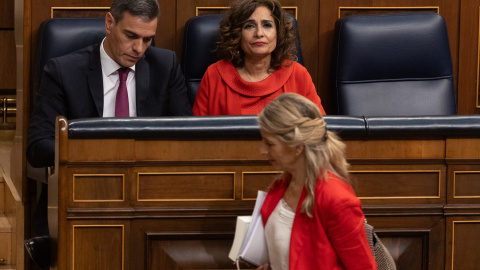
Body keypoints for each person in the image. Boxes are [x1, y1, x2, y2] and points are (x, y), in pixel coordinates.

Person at [25, 0, 192, 268]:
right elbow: (37, 146)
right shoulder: (64, 71)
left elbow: (185, 136)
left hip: (149, 192)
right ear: (109, 23)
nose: (139, 49)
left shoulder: (165, 65)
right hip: (84, 191)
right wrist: (99, 156)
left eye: (148, 39)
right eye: (131, 36)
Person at [256, 93, 376, 270]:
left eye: (270, 144)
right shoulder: (281, 186)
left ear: (297, 146)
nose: (262, 150)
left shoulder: (336, 199)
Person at [192, 0, 325, 116]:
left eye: (267, 25)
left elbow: (319, 131)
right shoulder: (214, 75)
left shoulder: (298, 75)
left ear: (278, 33)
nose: (259, 33)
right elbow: (196, 137)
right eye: (249, 26)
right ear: (237, 34)